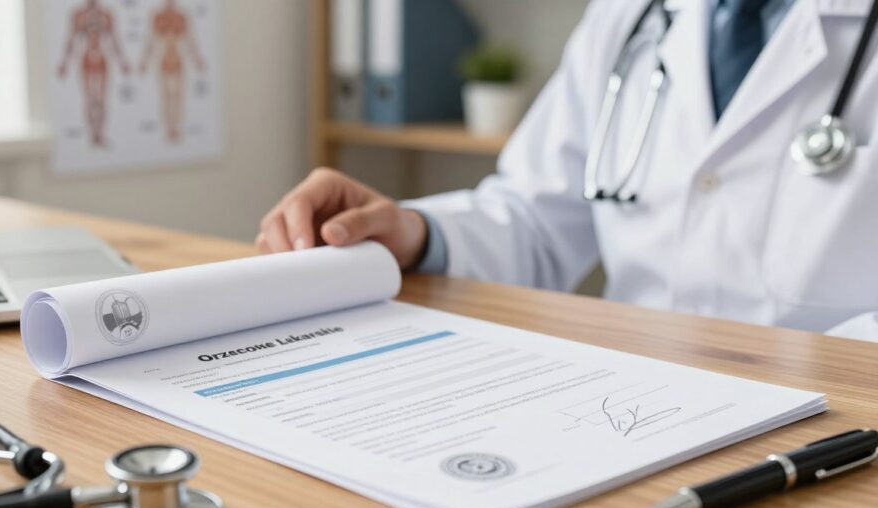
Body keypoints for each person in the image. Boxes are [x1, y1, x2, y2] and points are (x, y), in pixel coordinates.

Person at [257, 0, 878, 342]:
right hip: (633, 405)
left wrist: (815, 374)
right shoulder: (629, 16)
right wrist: (415, 233)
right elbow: (536, 216)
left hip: (837, 433)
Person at [58, 0, 131, 147]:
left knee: (102, 99)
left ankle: (100, 133)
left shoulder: (106, 15)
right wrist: (64, 63)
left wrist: (121, 61)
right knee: (90, 98)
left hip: (102, 59)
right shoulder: (78, 15)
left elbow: (114, 39)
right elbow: (71, 40)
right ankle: (93, 134)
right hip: (86, 59)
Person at [140, 0, 207, 143]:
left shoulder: (182, 16)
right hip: (163, 58)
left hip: (178, 58)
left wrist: (197, 60)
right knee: (166, 95)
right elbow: (150, 41)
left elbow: (190, 40)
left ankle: (176, 127)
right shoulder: (157, 16)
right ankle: (169, 128)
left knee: (178, 95)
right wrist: (145, 61)